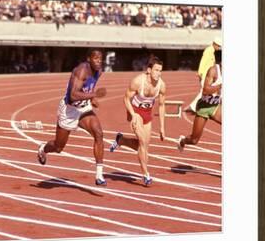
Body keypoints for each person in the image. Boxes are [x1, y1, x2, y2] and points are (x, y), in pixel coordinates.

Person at [37, 49, 108, 185]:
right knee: (58, 147)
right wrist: (94, 95)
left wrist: (91, 98)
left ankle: (99, 175)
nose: (99, 61)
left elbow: (89, 87)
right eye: (96, 58)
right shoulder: (81, 71)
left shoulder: (99, 71)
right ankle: (43, 149)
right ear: (89, 59)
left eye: (101, 58)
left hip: (83, 109)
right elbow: (73, 96)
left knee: (99, 133)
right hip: (69, 110)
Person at [109, 56, 167, 186]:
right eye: (156, 70)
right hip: (135, 112)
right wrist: (133, 114)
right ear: (149, 70)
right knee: (142, 142)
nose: (159, 73)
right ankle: (146, 174)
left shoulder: (162, 85)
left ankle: (121, 140)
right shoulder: (137, 82)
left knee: (144, 146)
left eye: (160, 71)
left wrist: (162, 127)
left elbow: (162, 105)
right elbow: (125, 98)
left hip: (147, 115)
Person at [178, 63, 222, 151]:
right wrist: (220, 86)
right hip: (204, 107)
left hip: (215, 106)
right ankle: (182, 141)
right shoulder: (213, 70)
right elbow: (205, 91)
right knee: (194, 140)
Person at [185, 37, 222, 113]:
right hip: (205, 75)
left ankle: (194, 106)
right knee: (204, 91)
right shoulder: (208, 51)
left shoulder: (211, 51)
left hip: (207, 75)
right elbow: (203, 62)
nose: (219, 47)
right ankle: (194, 107)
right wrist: (200, 73)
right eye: (218, 46)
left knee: (203, 91)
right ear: (215, 44)